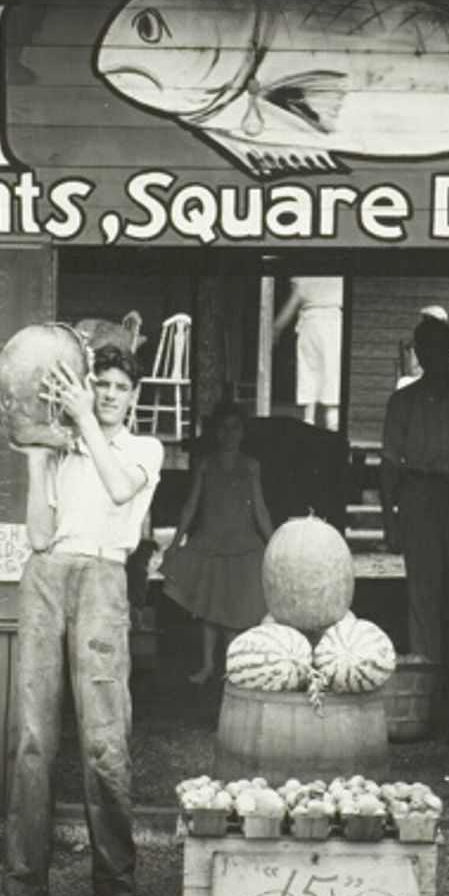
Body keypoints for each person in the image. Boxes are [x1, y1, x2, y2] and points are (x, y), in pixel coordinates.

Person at [0, 345, 164, 896]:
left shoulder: (143, 448)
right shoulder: (62, 448)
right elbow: (39, 536)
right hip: (46, 576)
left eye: (120, 387)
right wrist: (39, 454)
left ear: (133, 397)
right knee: (35, 736)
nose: (110, 393)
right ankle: (24, 883)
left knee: (105, 738)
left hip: (103, 578)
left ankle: (116, 880)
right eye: (102, 384)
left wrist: (84, 417)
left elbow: (120, 491)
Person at [378, 314, 449, 722]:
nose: (432, 356)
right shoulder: (403, 400)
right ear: (417, 353)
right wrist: (389, 518)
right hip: (417, 494)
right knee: (422, 588)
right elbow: (388, 463)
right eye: (424, 348)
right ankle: (426, 685)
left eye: (440, 347)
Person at [161, 401, 273, 684]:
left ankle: (233, 668)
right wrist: (176, 541)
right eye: (223, 428)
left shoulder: (250, 467)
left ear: (243, 432)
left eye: (235, 428)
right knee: (209, 610)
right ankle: (209, 665)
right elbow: (191, 505)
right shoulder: (205, 465)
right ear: (215, 432)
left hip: (242, 545)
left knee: (235, 610)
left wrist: (273, 543)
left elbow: (259, 508)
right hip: (210, 543)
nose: (229, 434)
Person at [272, 275, 343, 430]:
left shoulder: (305, 279)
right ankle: (332, 420)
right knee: (332, 371)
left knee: (309, 371)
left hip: (312, 323)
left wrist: (276, 329)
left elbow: (291, 306)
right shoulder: (338, 278)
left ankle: (309, 419)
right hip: (334, 324)